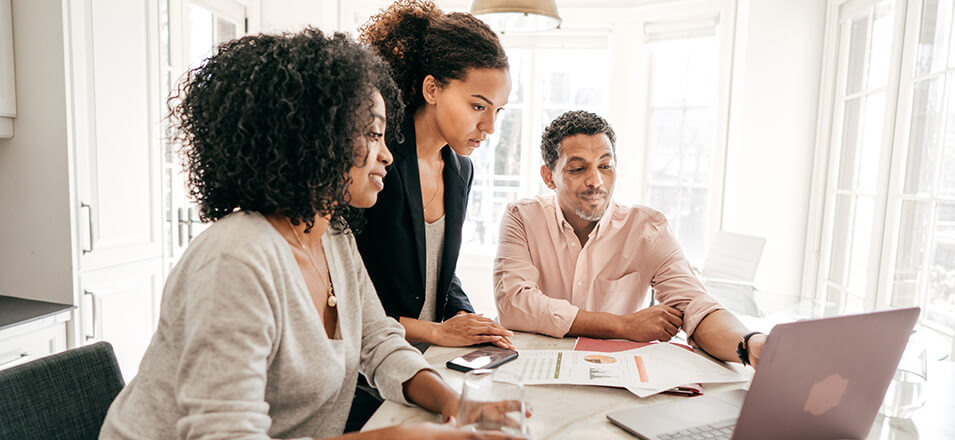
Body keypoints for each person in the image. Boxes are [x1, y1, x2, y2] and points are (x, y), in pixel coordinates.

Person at [99, 29, 521, 440]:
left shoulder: (334, 238)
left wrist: (457, 404)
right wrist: (402, 437)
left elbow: (380, 344)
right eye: (372, 135)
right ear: (315, 138)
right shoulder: (236, 258)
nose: (388, 154)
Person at [346, 0, 515, 431]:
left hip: (424, 370)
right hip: (366, 382)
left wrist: (469, 321)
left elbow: (438, 269)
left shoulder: (461, 169)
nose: (490, 127)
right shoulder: (373, 169)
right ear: (432, 89)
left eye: (498, 111)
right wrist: (437, 333)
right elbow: (350, 292)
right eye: (479, 106)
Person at [493, 110, 766, 367]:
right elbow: (515, 305)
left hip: (617, 376)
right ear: (549, 177)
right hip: (538, 369)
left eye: (605, 166)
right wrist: (622, 325)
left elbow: (696, 306)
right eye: (578, 169)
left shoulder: (648, 229)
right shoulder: (521, 218)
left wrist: (750, 344)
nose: (596, 181)